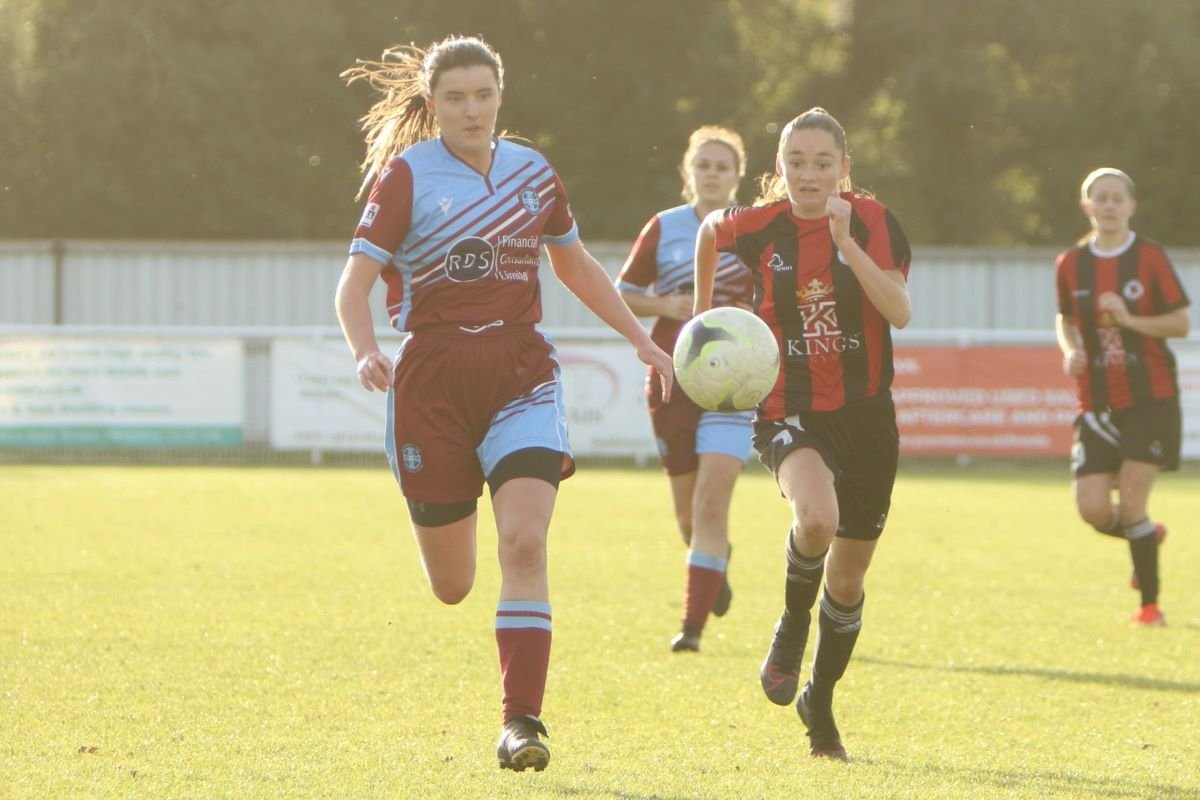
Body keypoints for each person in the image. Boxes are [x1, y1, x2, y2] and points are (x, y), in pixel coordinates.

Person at [334, 35, 674, 774]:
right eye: (455, 98)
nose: (471, 109)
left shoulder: (534, 173)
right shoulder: (406, 177)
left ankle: (521, 721)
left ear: (501, 95)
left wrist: (640, 340)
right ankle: (431, 498)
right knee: (453, 586)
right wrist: (366, 349)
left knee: (524, 541)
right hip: (430, 382)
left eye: (483, 94)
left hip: (522, 371)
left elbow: (575, 263)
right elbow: (352, 286)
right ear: (433, 106)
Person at [694, 107, 912, 761]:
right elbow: (709, 231)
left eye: (822, 163)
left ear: (845, 170)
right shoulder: (761, 227)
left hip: (869, 418)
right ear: (779, 168)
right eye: (795, 162)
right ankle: (790, 626)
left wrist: (847, 247)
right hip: (789, 407)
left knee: (846, 584)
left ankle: (820, 699)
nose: (808, 174)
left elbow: (899, 311)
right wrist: (703, 319)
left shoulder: (874, 223)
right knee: (815, 519)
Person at [615, 126, 754, 653]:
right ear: (688, 173)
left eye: (723, 166)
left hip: (732, 385)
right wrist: (665, 306)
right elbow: (623, 294)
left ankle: (691, 629)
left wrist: (751, 314)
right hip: (672, 377)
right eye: (704, 165)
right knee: (688, 517)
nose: (713, 174)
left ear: (738, 176)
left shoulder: (753, 227)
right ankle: (714, 564)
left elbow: (775, 299)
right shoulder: (664, 227)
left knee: (712, 501)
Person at [1054, 167, 1190, 628]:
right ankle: (1146, 537)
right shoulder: (1071, 264)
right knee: (1093, 509)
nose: (1109, 205)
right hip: (1094, 401)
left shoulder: (1149, 258)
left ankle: (1150, 607)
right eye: (1100, 198)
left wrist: (1131, 320)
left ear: (1132, 206)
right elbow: (1066, 319)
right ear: (1087, 206)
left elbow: (1181, 323)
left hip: (1151, 400)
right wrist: (1071, 349)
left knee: (1131, 505)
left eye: (1118, 198)